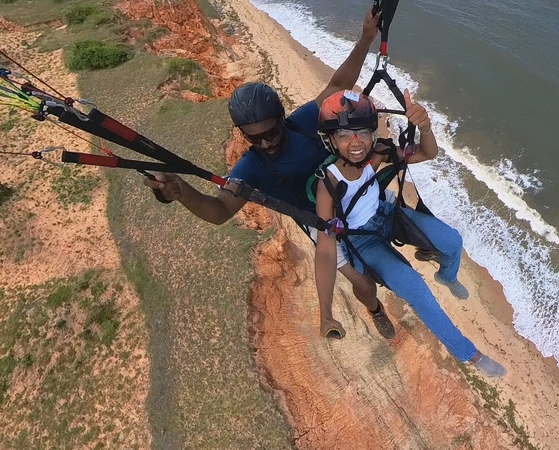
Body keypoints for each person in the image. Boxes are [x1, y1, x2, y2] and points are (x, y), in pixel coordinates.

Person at [143, 7, 397, 340]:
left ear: (281, 119)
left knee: (403, 210)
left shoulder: (302, 122)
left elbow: (339, 84)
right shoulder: (252, 167)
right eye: (254, 137)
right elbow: (219, 210)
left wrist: (365, 39)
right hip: (320, 222)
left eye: (271, 132)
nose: (266, 142)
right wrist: (182, 192)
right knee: (363, 281)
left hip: (350, 191)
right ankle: (375, 309)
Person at [313, 89, 506, 377]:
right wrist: (326, 311)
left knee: (452, 241)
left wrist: (425, 126)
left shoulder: (376, 156)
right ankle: (470, 354)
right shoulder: (327, 185)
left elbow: (428, 152)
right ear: (331, 140)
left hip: (386, 215)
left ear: (372, 134)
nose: (356, 142)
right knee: (417, 291)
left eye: (362, 133)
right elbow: (326, 250)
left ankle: (447, 276)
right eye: (344, 135)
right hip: (361, 241)